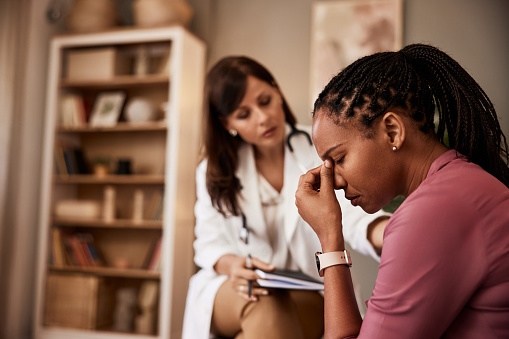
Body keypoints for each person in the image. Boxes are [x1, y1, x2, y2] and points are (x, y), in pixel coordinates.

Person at [295, 43, 509, 338]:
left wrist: (330, 238)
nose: (335, 180)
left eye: (339, 159)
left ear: (392, 131)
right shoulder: (459, 184)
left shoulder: (433, 212)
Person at [182, 56, 391, 339]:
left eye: (265, 101)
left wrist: (393, 233)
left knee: (269, 312)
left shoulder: (319, 148)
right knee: (263, 299)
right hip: (236, 288)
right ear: (226, 123)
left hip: (307, 291)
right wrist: (234, 266)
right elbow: (208, 244)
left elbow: (349, 216)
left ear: (277, 91)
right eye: (244, 115)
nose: (262, 117)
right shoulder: (213, 171)